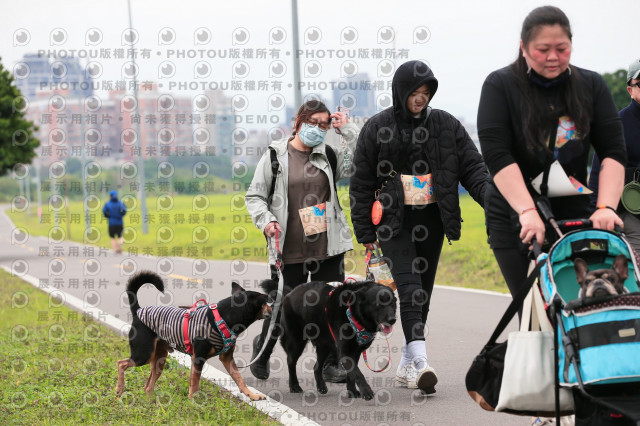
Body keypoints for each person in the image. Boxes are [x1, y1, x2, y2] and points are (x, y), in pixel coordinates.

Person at [349, 60, 489, 394]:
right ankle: (422, 363)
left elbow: (473, 167)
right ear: (400, 92)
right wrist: (365, 234)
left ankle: (406, 364)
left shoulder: (446, 125)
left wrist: (493, 201)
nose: (420, 98)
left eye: (426, 92)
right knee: (410, 288)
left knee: (422, 294)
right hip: (393, 222)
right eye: (414, 92)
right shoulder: (377, 127)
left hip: (432, 220)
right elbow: (361, 183)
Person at [478, 5, 625, 304]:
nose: (553, 57)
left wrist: (606, 206)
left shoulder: (591, 85)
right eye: (543, 49)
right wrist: (527, 211)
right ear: (523, 47)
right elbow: (497, 153)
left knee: (576, 303)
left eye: (562, 48)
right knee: (532, 307)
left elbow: (612, 151)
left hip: (571, 206)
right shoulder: (500, 85)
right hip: (513, 207)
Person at [245, 100, 359, 382]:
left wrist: (348, 131)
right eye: (313, 123)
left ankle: (330, 364)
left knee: (330, 307)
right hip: (288, 246)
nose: (318, 129)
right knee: (282, 305)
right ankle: (263, 349)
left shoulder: (328, 155)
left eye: (324, 125)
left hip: (327, 246)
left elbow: (355, 164)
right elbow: (255, 196)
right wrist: (266, 221)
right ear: (299, 122)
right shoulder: (275, 156)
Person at [589, 58, 640, 251]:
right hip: (632, 215)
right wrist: (595, 215)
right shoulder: (617, 125)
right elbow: (598, 173)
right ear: (630, 90)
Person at [102, 190, 127, 254]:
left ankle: (115, 249)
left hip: (111, 223)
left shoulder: (108, 204)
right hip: (120, 222)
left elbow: (104, 211)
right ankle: (119, 246)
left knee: (112, 237)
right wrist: (121, 215)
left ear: (110, 196)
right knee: (120, 236)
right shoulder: (120, 203)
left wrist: (108, 216)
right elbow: (124, 210)